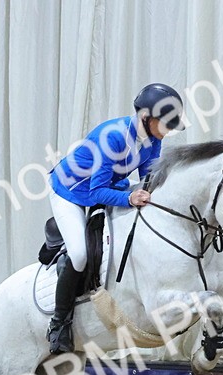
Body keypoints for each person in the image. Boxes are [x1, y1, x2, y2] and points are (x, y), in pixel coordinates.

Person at [44, 83, 187, 354]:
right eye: (165, 124)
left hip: (107, 185)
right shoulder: (113, 137)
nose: (168, 131)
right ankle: (58, 324)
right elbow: (96, 191)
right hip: (70, 191)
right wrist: (129, 198)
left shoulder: (154, 138)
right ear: (146, 117)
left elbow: (147, 179)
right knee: (79, 255)